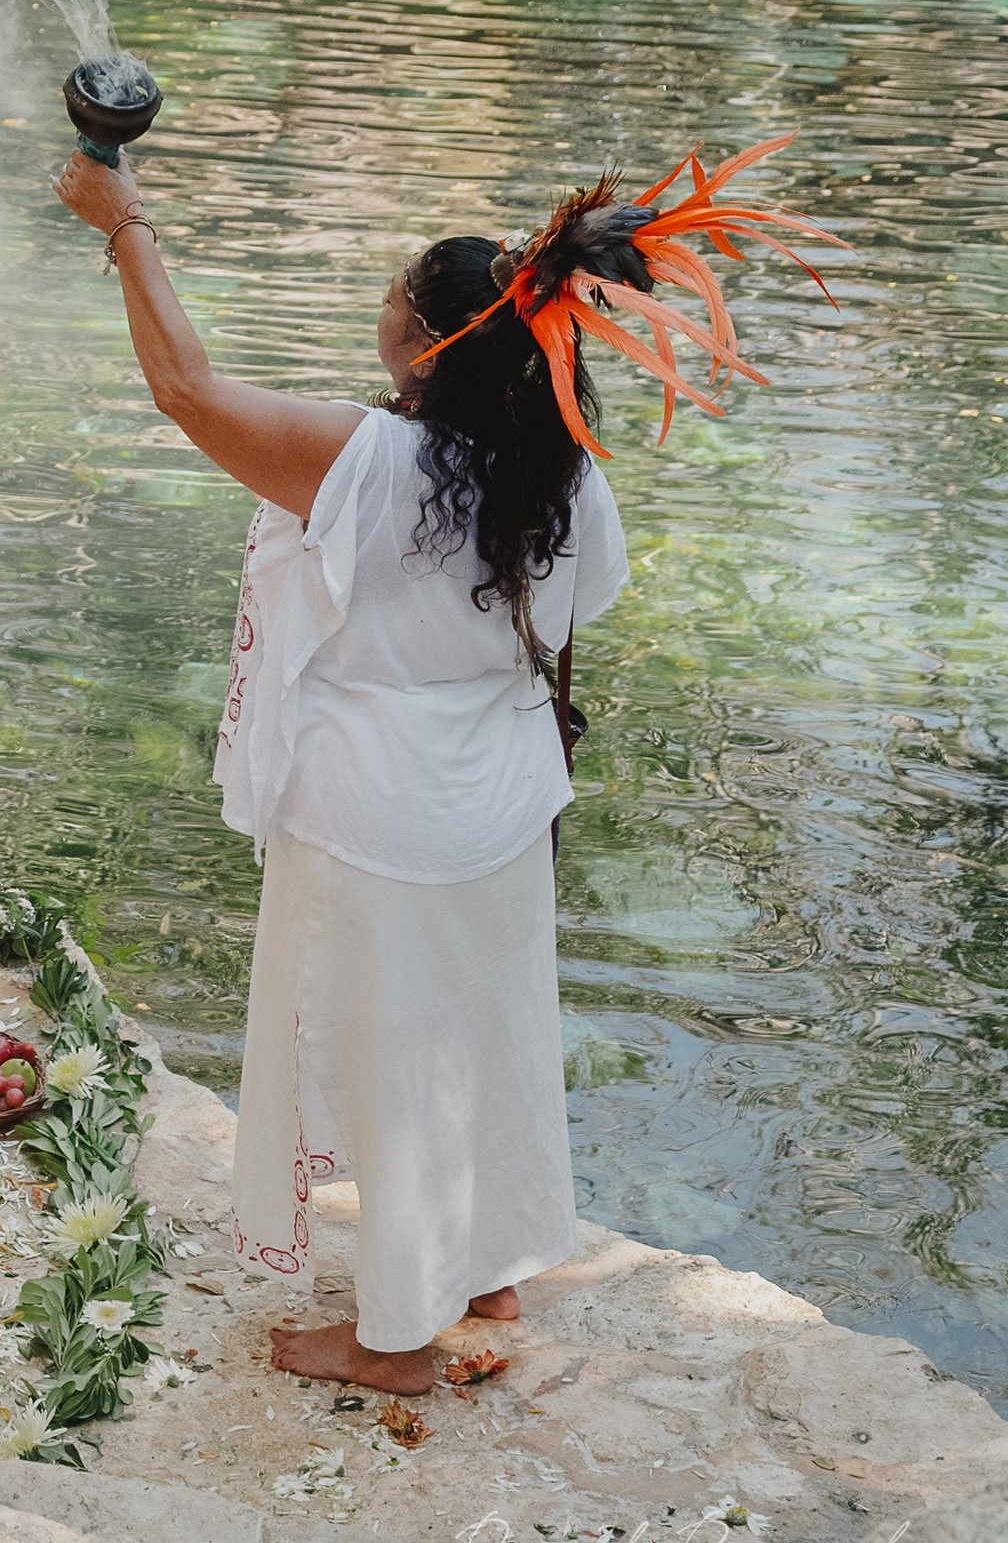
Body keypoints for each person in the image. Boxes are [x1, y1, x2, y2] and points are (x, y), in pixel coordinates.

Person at [54, 131, 823, 1394]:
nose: (380, 308)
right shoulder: (561, 463)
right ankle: (486, 1269)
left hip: (379, 813)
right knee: (486, 1037)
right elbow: (584, 607)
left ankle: (393, 1340)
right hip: (503, 801)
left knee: (394, 1066)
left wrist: (123, 227)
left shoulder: (367, 462)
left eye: (392, 296)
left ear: (418, 344)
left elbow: (187, 392)